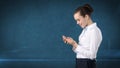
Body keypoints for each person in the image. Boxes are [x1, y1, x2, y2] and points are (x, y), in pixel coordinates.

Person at [62, 4, 102, 68]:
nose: (77, 23)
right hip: (80, 63)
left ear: (86, 17)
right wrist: (72, 43)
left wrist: (75, 44)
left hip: (87, 64)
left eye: (78, 20)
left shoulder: (94, 31)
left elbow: (92, 55)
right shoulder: (85, 30)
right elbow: (81, 51)